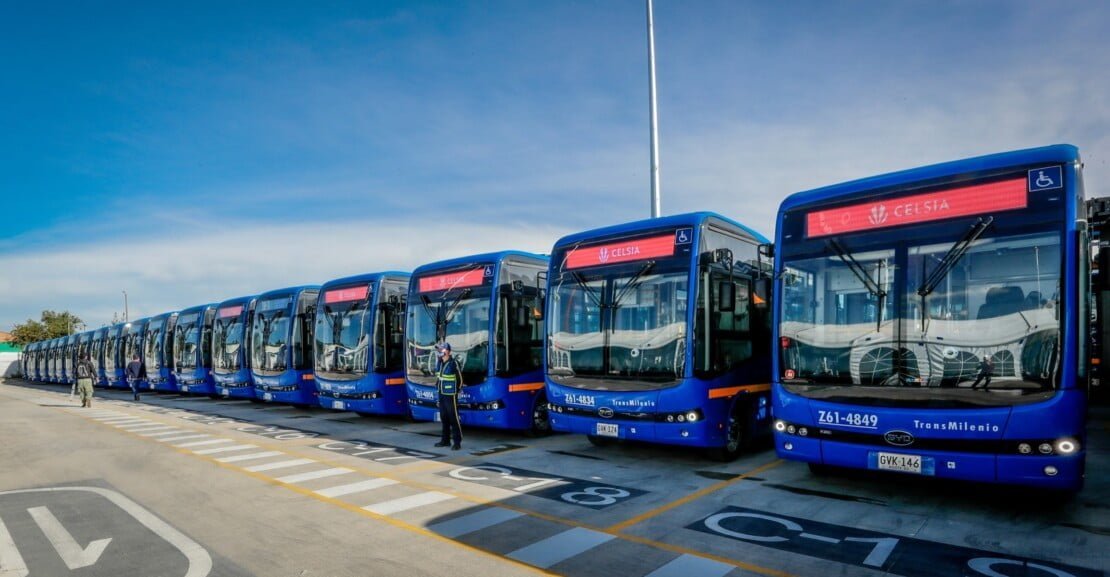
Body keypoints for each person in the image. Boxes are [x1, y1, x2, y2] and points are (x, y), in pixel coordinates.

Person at [433, 342, 463, 451]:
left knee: (453, 418)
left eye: (442, 349)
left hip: (451, 394)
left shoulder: (454, 363)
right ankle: (445, 441)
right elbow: (438, 377)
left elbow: (460, 379)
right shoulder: (440, 363)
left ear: (448, 351)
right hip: (441, 393)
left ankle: (457, 442)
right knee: (444, 418)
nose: (440, 351)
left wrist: (456, 391)